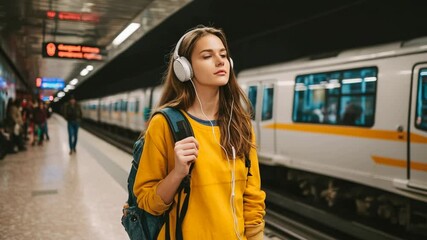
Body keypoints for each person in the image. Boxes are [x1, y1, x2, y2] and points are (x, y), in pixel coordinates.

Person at [133, 26, 266, 240]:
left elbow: (252, 197)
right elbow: (148, 202)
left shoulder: (240, 124)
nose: (220, 61)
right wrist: (177, 173)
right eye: (207, 56)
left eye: (223, 55)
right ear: (184, 68)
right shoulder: (165, 124)